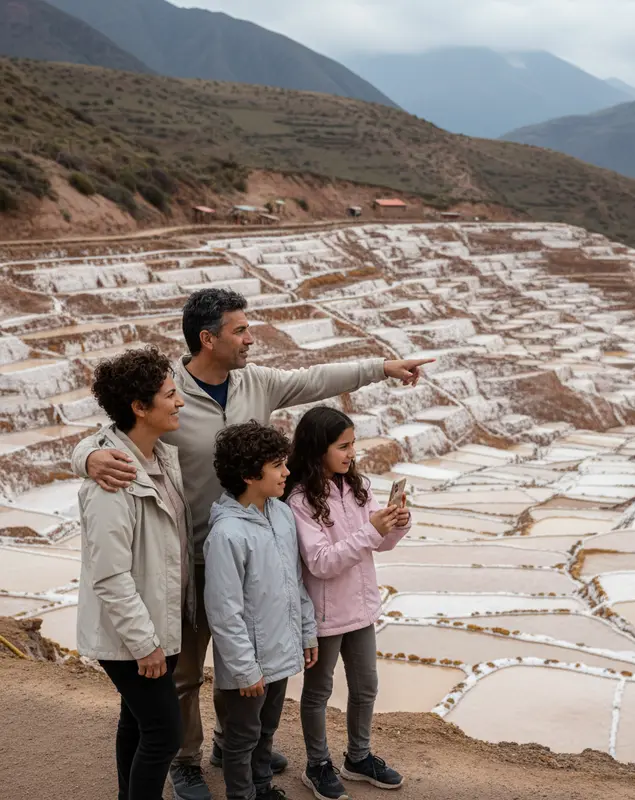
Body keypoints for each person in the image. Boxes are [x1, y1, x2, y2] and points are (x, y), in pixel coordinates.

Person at [71, 288, 433, 800]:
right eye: (240, 330)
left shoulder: (254, 383)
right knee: (187, 672)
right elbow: (108, 435)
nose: (250, 337)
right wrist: (84, 459)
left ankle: (230, 742)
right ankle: (186, 760)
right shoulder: (166, 397)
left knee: (249, 660)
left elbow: (315, 378)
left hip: (257, 548)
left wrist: (383, 367)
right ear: (207, 338)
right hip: (189, 558)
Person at [76, 347, 192, 800]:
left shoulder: (159, 457)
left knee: (138, 722)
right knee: (164, 733)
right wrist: (145, 643)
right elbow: (110, 576)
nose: (179, 401)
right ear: (139, 408)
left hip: (153, 622)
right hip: (132, 634)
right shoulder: (112, 483)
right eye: (169, 394)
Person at [284, 407, 411, 800]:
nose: (351, 452)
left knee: (366, 685)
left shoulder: (356, 487)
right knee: (319, 691)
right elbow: (321, 563)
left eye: (353, 444)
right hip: (325, 613)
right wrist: (372, 532)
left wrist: (397, 524)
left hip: (360, 606)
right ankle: (317, 764)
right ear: (317, 448)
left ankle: (358, 756)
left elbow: (379, 543)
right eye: (343, 446)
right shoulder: (301, 501)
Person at [205, 421, 318, 800]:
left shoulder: (281, 515)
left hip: (280, 649)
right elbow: (224, 612)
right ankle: (242, 795)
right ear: (251, 474)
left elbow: (295, 582)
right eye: (278, 466)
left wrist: (306, 631)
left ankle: (262, 787)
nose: (288, 472)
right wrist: (244, 668)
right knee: (241, 737)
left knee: (267, 726)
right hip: (249, 662)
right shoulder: (227, 535)